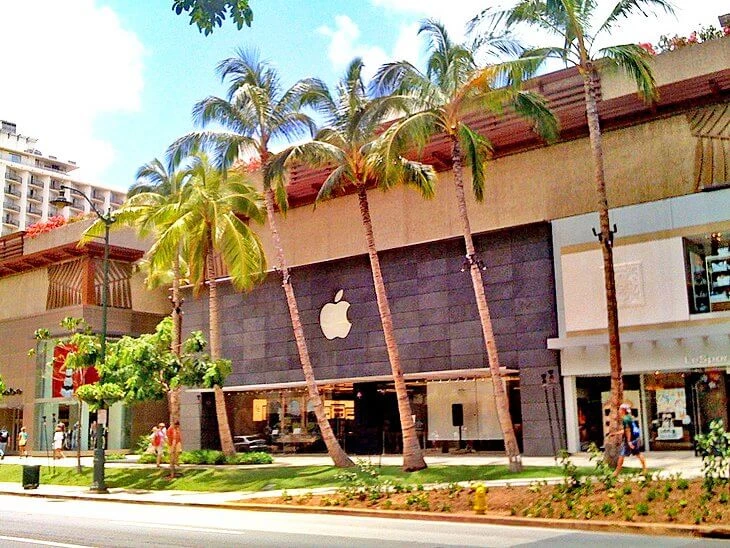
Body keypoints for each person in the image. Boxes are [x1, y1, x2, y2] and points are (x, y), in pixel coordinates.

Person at [614, 403, 647, 477]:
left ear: (623, 410)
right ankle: (645, 470)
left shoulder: (625, 419)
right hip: (635, 439)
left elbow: (628, 430)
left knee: (621, 455)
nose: (619, 410)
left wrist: (629, 442)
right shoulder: (629, 417)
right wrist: (616, 433)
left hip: (630, 440)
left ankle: (616, 473)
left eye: (620, 409)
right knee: (638, 454)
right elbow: (626, 430)